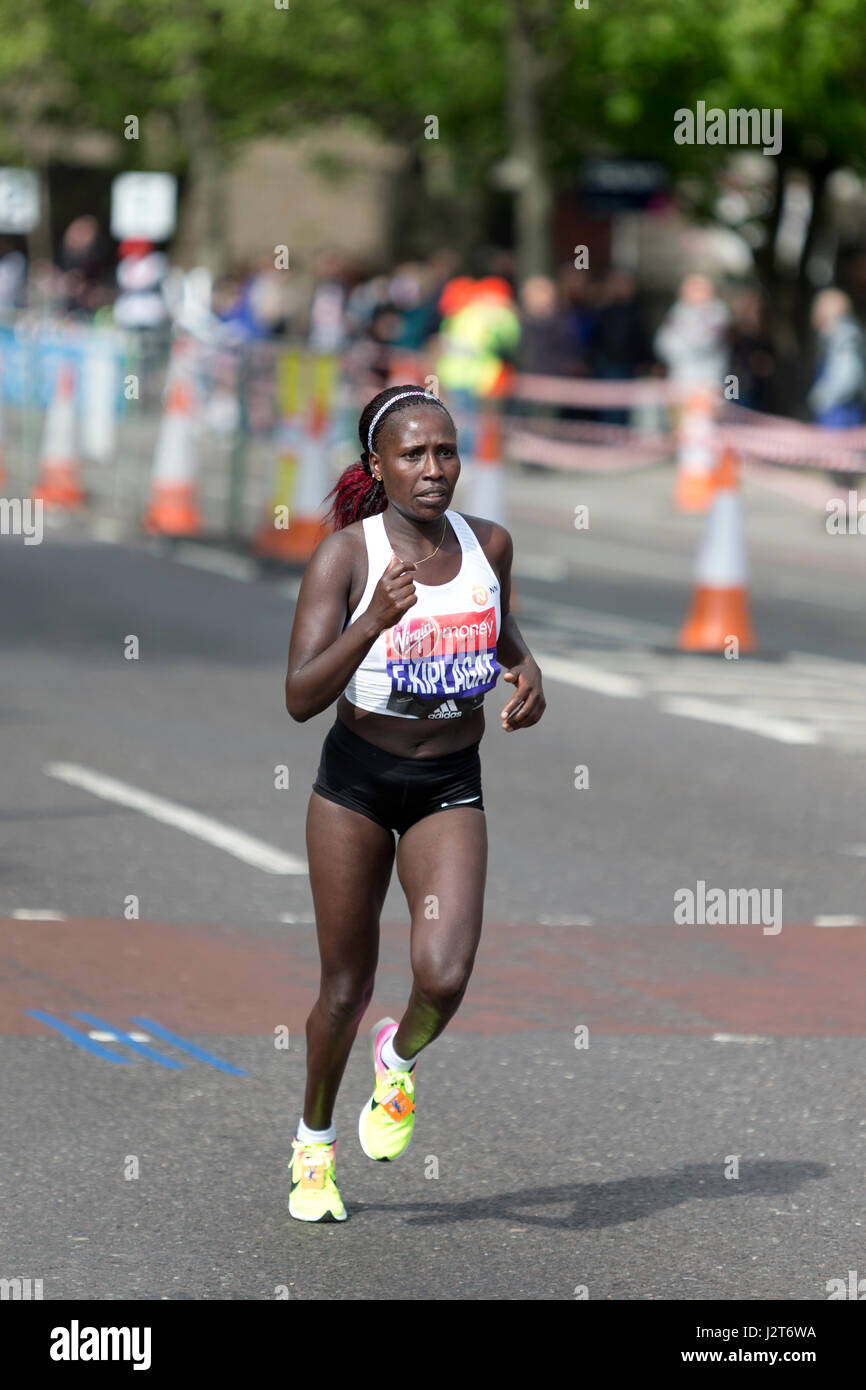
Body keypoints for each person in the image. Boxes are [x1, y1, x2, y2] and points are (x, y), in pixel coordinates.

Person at [284, 384, 546, 1221]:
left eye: (446, 452)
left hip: (448, 784)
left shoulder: (490, 543)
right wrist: (370, 623)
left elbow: (498, 625)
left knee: (445, 973)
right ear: (378, 465)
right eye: (413, 455)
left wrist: (526, 669)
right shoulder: (346, 559)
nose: (434, 470)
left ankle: (397, 1058)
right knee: (345, 986)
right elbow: (298, 696)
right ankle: (313, 1148)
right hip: (357, 784)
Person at [808, 287, 866, 497]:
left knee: (842, 461)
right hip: (839, 406)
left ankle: (842, 511)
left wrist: (823, 396)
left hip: (841, 408)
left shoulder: (843, 333)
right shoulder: (839, 331)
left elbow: (848, 373)